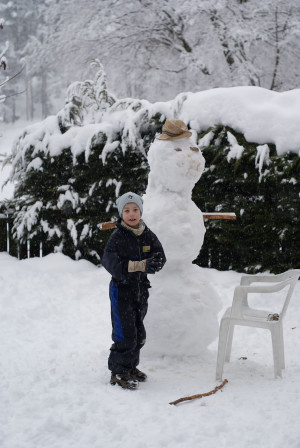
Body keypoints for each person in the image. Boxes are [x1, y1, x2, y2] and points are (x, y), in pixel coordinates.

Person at [102, 192, 166, 390]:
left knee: (138, 333)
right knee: (124, 333)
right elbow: (109, 262)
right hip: (122, 291)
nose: (131, 214)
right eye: (127, 210)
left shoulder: (146, 233)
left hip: (140, 290)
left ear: (141, 211)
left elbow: (160, 256)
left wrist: (153, 264)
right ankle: (118, 371)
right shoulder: (118, 236)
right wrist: (138, 265)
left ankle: (130, 367)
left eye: (135, 209)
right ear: (121, 213)